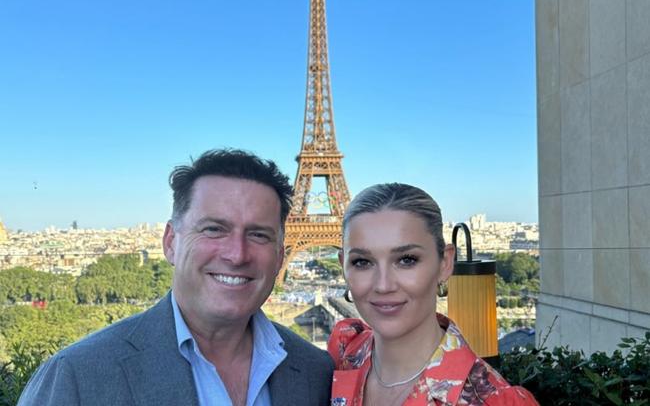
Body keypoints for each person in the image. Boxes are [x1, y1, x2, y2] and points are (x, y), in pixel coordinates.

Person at [19, 149, 333, 406]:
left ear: (280, 255)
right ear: (171, 242)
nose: (237, 254)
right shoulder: (76, 377)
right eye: (214, 229)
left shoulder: (315, 372)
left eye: (259, 234)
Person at [328, 183, 538, 406]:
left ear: (445, 263)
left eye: (406, 260)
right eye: (362, 262)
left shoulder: (494, 401)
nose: (383, 285)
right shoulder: (345, 350)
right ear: (343, 267)